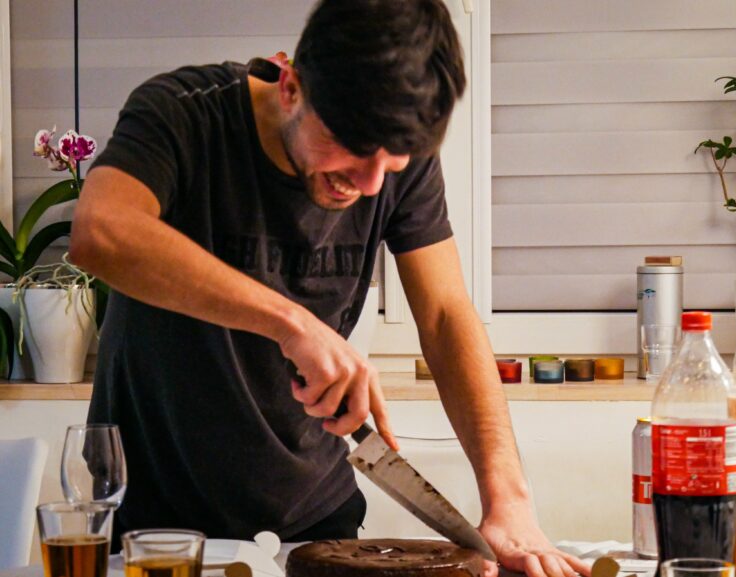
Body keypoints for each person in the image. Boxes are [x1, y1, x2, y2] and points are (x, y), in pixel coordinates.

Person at [70, 1, 590, 576]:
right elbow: (102, 233)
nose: (369, 184)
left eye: (392, 164)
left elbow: (445, 315)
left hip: (316, 522)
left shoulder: (394, 160)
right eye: (353, 148)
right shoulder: (184, 112)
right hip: (157, 527)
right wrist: (293, 324)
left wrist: (508, 500)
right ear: (292, 87)